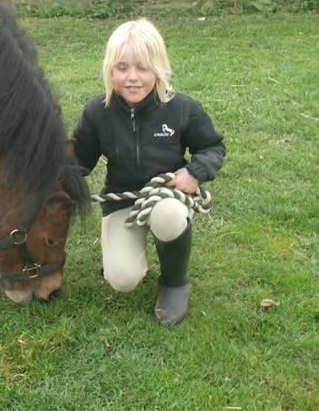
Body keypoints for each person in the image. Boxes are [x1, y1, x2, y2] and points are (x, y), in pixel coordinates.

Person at [71, 18, 225, 326]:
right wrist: (51, 172)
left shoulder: (182, 108)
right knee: (123, 280)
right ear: (110, 69)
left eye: (142, 67)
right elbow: (79, 160)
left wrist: (194, 172)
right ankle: (125, 257)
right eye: (122, 67)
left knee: (168, 216)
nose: (132, 78)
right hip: (122, 202)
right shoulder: (97, 112)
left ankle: (174, 282)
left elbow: (213, 147)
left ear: (158, 68)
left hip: (166, 197)